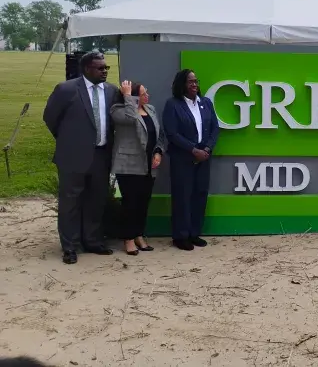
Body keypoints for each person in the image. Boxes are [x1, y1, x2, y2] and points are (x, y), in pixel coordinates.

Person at [42, 51, 119, 264]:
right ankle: (70, 246)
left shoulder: (112, 91)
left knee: (96, 200)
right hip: (72, 156)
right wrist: (69, 140)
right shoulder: (66, 89)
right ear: (86, 69)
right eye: (100, 68)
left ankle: (93, 241)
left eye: (106, 68)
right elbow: (50, 117)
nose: (105, 71)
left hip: (101, 155)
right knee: (70, 202)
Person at [162, 69, 220, 251]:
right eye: (190, 81)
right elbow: (172, 133)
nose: (194, 84)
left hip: (204, 158)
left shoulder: (206, 103)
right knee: (182, 197)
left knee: (200, 195)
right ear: (182, 84)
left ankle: (194, 233)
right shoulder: (173, 105)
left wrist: (207, 149)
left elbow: (215, 128)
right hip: (183, 158)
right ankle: (181, 236)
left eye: (196, 81)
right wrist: (193, 150)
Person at [111, 80, 167, 255]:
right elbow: (130, 118)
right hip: (129, 165)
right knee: (131, 202)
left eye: (146, 92)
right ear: (133, 97)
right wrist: (128, 96)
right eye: (143, 94)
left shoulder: (151, 109)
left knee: (143, 201)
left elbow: (159, 134)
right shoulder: (118, 110)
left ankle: (138, 234)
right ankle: (128, 238)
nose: (147, 96)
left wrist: (158, 151)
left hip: (149, 165)